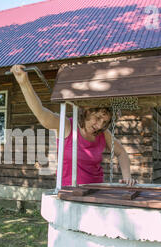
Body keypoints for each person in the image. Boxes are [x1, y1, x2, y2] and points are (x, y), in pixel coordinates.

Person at [10, 64, 138, 186]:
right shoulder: (67, 126)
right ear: (87, 110)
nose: (99, 125)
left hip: (97, 191)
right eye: (98, 118)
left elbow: (121, 153)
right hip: (70, 193)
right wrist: (24, 83)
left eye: (104, 122)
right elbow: (42, 114)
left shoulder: (103, 133)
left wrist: (127, 178)